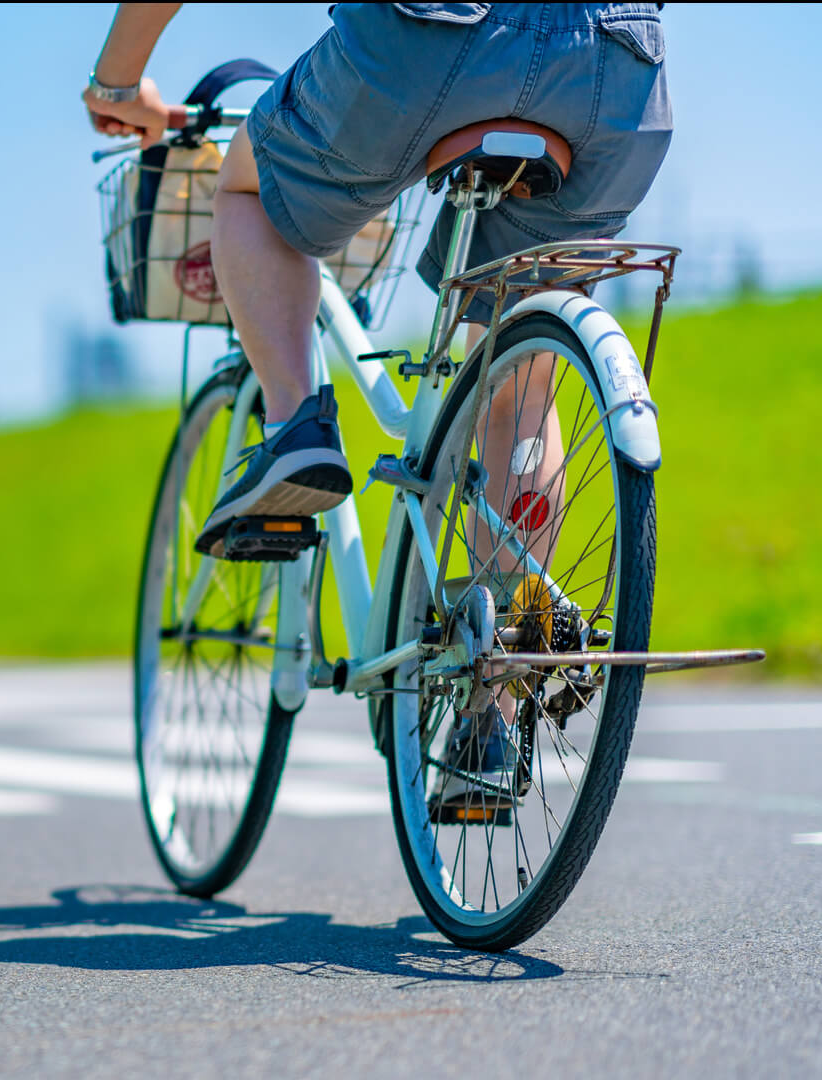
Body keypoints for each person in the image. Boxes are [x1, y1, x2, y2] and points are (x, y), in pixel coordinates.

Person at [83, 2, 669, 812]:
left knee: (249, 191)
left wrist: (117, 81)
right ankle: (489, 715)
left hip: (438, 37)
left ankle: (294, 428)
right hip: (618, 68)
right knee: (517, 386)